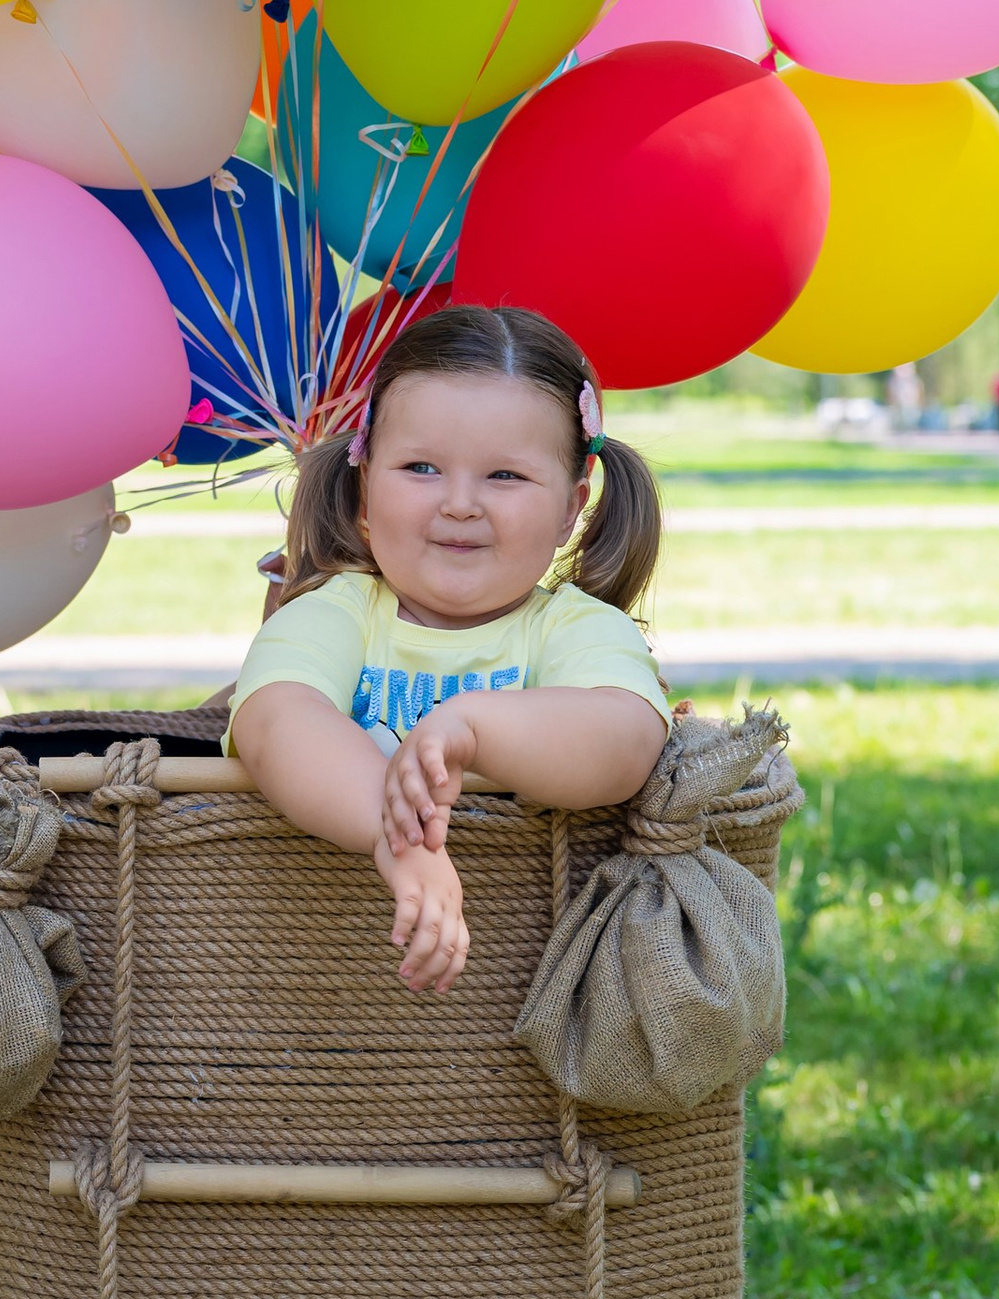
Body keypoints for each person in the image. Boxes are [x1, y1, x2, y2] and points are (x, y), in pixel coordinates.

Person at [227, 303, 673, 997]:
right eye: (422, 466)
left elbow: (626, 738)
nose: (461, 503)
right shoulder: (337, 614)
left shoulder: (574, 630)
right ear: (365, 488)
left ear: (570, 506)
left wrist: (470, 727)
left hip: (533, 982)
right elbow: (275, 721)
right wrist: (401, 839)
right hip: (311, 983)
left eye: (505, 476)